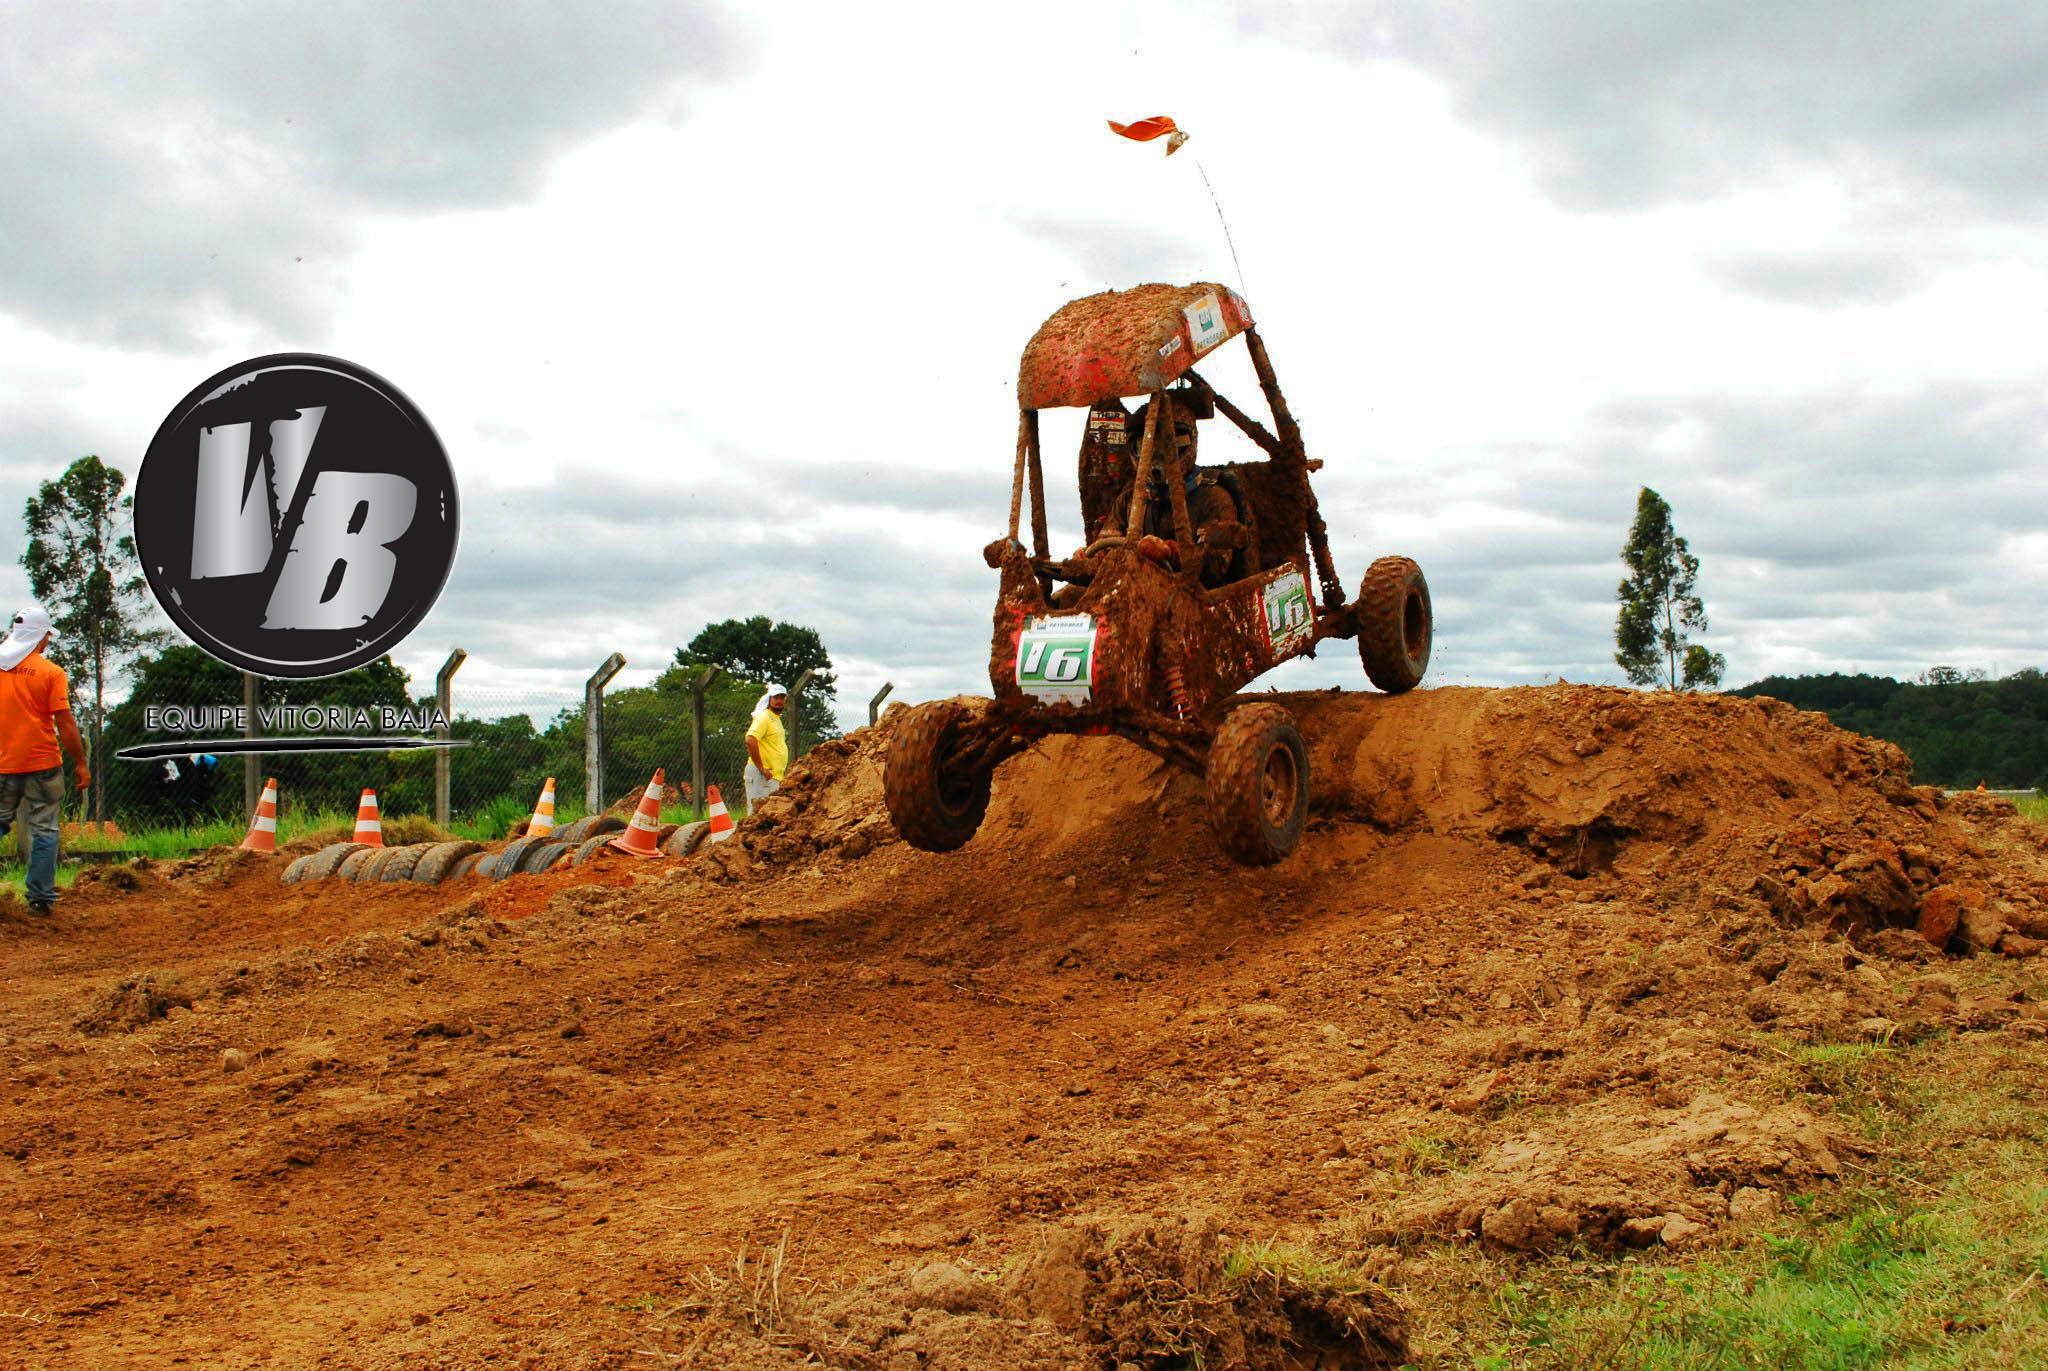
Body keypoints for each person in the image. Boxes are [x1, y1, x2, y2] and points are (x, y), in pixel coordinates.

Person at [0, 606, 91, 916]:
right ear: (41, 636)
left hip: (2, 764)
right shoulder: (51, 672)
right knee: (45, 830)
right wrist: (80, 761)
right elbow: (64, 722)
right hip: (42, 764)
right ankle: (39, 900)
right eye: (47, 637)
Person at [744, 684, 789, 807]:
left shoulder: (775, 719)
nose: (779, 701)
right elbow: (750, 739)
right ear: (769, 699)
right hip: (761, 775)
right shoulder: (764, 717)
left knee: (767, 817)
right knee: (757, 816)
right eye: (776, 698)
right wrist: (761, 768)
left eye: (782, 697)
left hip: (771, 776)